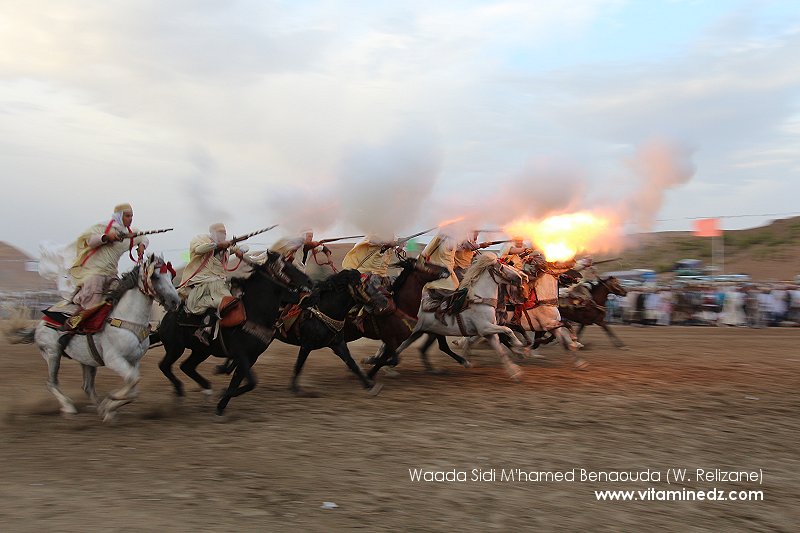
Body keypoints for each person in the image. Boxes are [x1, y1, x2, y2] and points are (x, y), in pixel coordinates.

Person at [68, 203, 149, 310]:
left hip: (111, 273)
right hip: (95, 272)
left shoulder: (130, 233)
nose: (130, 219)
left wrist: (142, 246)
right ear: (119, 216)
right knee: (92, 302)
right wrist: (106, 237)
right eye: (127, 216)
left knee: (119, 298)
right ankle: (78, 305)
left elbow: (143, 238)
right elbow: (89, 240)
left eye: (132, 216)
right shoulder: (103, 227)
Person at [178, 223, 247, 344]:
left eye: (225, 232)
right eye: (220, 232)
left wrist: (240, 250)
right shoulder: (200, 239)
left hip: (219, 283)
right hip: (202, 282)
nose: (223, 234)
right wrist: (218, 245)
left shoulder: (226, 248)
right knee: (221, 302)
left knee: (234, 300)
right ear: (212, 232)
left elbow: (245, 247)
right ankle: (203, 330)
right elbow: (199, 250)